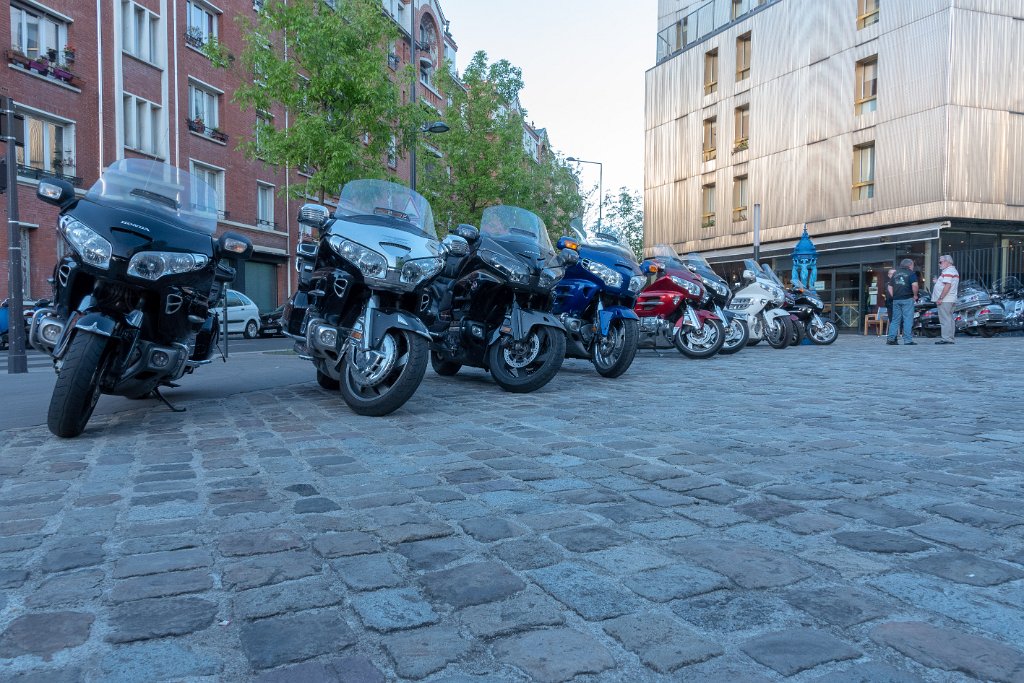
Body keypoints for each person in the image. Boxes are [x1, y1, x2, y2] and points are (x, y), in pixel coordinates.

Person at [886, 258, 918, 345]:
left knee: (895, 320)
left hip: (896, 300)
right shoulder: (911, 273)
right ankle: (907, 340)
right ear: (910, 265)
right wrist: (915, 295)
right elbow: (914, 285)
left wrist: (894, 296)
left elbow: (890, 286)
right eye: (912, 265)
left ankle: (891, 339)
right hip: (907, 298)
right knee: (907, 319)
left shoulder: (895, 273)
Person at [933, 254, 959, 345]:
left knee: (945, 319)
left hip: (946, 299)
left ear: (947, 262)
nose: (939, 264)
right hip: (950, 298)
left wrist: (940, 298)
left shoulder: (948, 271)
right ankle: (950, 338)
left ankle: (946, 338)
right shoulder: (952, 271)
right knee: (949, 318)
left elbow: (948, 285)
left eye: (940, 262)